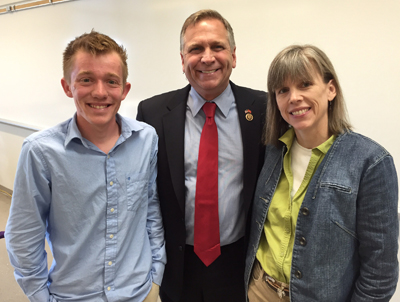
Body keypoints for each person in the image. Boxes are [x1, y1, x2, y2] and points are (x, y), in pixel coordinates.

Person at [5, 30, 166, 302]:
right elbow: (24, 236)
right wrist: (40, 297)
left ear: (125, 90)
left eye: (111, 81)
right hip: (73, 296)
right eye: (86, 79)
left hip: (139, 292)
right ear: (68, 86)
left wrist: (155, 279)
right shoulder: (41, 152)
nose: (100, 92)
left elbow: (151, 211)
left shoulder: (146, 139)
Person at [245, 44, 399, 302]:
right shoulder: (272, 152)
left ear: (331, 89)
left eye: (305, 84)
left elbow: (380, 271)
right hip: (260, 291)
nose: (293, 97)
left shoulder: (371, 162)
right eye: (283, 90)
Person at [137, 9, 267, 302]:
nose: (207, 57)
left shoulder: (263, 109)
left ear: (233, 55)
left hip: (239, 264)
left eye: (217, 47)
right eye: (196, 48)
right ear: (182, 59)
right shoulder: (153, 113)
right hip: (178, 265)